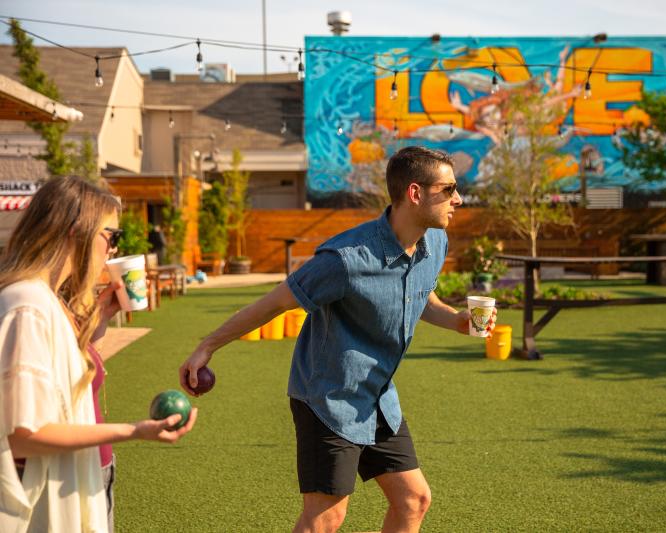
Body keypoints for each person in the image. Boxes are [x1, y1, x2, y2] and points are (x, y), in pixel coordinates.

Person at [180, 146, 496, 533]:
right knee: (326, 517)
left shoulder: (434, 244)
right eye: (448, 189)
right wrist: (206, 346)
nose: (458, 199)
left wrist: (457, 321)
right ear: (415, 193)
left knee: (413, 500)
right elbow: (274, 303)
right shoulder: (345, 260)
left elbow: (421, 297)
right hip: (328, 396)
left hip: (378, 396)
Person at [0, 176, 198, 533]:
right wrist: (134, 430)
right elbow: (22, 434)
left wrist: (97, 322)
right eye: (112, 236)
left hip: (85, 476)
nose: (113, 250)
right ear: (76, 231)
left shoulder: (49, 299)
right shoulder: (27, 305)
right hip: (50, 497)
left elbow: (63, 385)